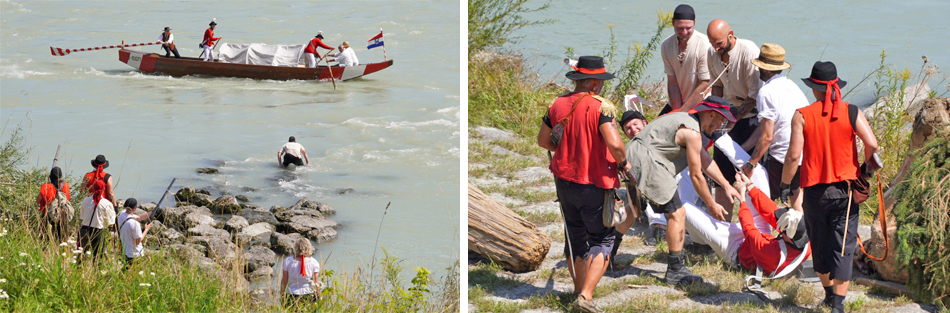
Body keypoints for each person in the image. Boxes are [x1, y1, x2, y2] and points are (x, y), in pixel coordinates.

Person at [782, 61, 880, 313]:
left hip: (814, 192)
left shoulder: (802, 115)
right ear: (836, 85)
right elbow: (873, 144)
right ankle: (837, 305)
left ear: (814, 88)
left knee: (820, 243)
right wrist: (867, 169)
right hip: (845, 192)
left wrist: (785, 185)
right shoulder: (851, 111)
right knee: (844, 247)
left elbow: (793, 157)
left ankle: (827, 295)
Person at [536, 55, 627, 313]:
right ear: (595, 83)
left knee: (574, 235)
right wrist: (623, 161)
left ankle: (577, 289)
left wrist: (563, 149)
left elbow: (543, 140)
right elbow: (615, 145)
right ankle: (585, 298)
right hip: (594, 183)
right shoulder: (601, 107)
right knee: (603, 237)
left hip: (564, 182)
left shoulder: (557, 103)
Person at [623, 95, 742, 286]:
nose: (721, 124)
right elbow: (696, 176)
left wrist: (727, 185)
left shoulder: (684, 118)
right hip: (649, 164)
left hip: (630, 158)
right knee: (677, 214)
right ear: (711, 115)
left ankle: (606, 251)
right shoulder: (693, 133)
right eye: (721, 119)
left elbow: (705, 161)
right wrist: (711, 204)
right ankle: (675, 269)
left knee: (635, 209)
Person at [706, 19, 762, 221]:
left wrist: (732, 119)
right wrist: (716, 114)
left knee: (750, 175)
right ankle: (723, 225)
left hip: (750, 118)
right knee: (721, 174)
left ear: (731, 34)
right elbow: (718, 86)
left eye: (719, 43)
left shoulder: (748, 51)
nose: (716, 47)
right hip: (727, 115)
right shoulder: (713, 53)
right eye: (713, 43)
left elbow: (754, 96)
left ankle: (755, 227)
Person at [745, 43, 809, 210]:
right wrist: (745, 147)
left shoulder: (766, 92)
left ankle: (766, 232)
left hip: (782, 156)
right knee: (795, 193)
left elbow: (767, 137)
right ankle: (802, 232)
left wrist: (750, 163)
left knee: (766, 197)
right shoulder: (793, 87)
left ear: (765, 69)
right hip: (803, 153)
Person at [659, 4, 711, 114]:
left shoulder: (704, 44)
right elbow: (672, 82)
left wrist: (683, 111)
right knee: (656, 128)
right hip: (678, 103)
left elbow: (705, 84)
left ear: (694, 22)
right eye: (680, 28)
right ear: (672, 22)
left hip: (701, 102)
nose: (684, 32)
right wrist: (677, 111)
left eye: (688, 28)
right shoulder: (666, 45)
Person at [78, 180, 116, 263]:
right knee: (98, 257)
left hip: (84, 230)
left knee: (81, 255)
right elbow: (110, 222)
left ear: (93, 188)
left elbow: (82, 216)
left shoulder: (85, 200)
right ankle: (95, 274)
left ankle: (78, 272)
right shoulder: (106, 203)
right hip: (98, 232)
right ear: (103, 189)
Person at [280, 238, 322, 305]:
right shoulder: (313, 262)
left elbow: (284, 281)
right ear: (308, 248)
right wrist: (319, 295)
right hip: (309, 294)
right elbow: (316, 282)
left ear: (295, 248)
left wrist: (281, 295)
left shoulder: (288, 261)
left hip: (292, 295)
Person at [36, 167, 71, 242]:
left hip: (46, 215)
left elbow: (37, 201)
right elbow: (67, 199)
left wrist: (48, 184)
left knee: (43, 238)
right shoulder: (66, 185)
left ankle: (45, 251)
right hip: (60, 215)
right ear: (61, 177)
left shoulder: (46, 186)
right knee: (60, 239)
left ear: (50, 176)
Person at [118, 198, 152, 269]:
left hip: (125, 252)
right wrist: (146, 229)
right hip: (135, 255)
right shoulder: (135, 224)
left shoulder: (121, 215)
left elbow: (139, 217)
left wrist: (151, 213)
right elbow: (137, 241)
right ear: (136, 207)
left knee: (126, 272)